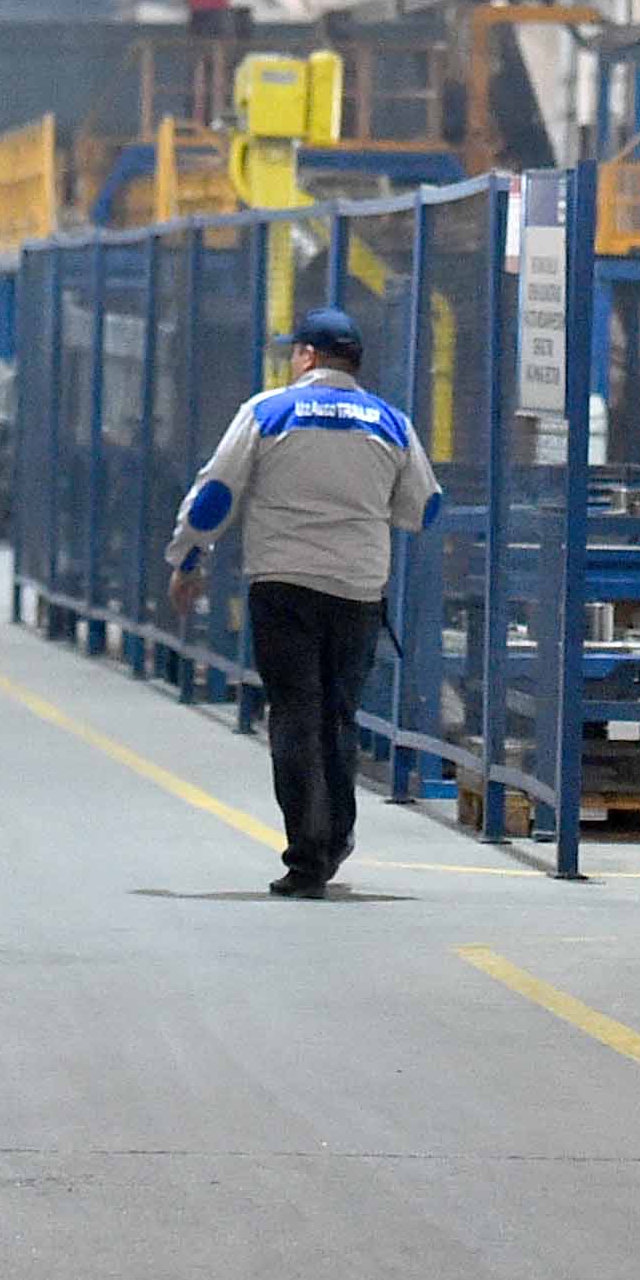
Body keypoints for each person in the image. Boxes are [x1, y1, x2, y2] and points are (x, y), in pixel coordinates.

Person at [170, 305, 440, 901]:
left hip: (284, 584)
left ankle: (307, 857)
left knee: (294, 714)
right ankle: (336, 835)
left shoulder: (267, 411)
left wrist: (188, 559)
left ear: (308, 355)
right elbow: (423, 509)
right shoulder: (391, 422)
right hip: (357, 590)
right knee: (339, 714)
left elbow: (216, 494)